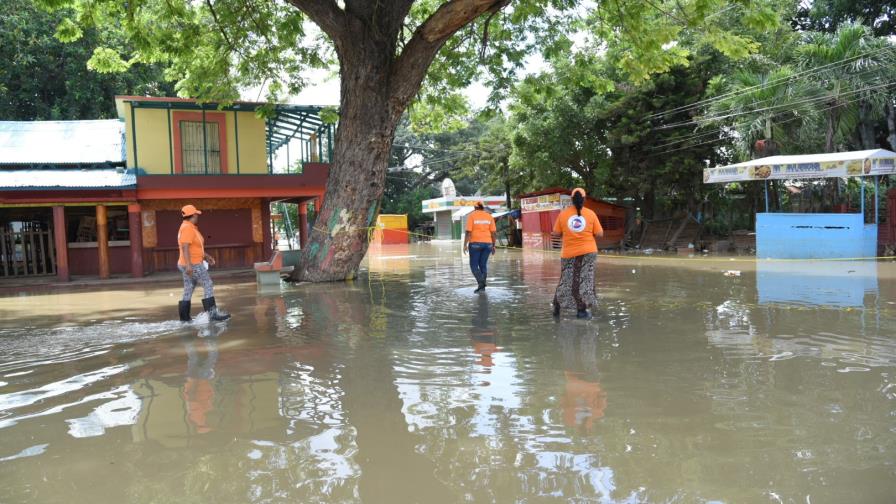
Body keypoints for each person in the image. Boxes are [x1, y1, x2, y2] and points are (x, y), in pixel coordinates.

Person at [551, 188, 603, 319]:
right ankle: (581, 310)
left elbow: (556, 233)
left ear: (571, 200)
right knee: (585, 280)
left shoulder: (563, 214)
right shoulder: (591, 214)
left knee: (566, 280)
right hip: (588, 252)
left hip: (568, 253)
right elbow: (599, 233)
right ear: (584, 199)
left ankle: (557, 307)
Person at [177, 205, 230, 322]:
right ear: (193, 215)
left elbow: (196, 247)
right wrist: (189, 265)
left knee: (189, 288)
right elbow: (185, 247)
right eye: (196, 214)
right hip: (193, 263)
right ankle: (213, 315)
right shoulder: (187, 228)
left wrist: (207, 256)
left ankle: (184, 318)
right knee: (208, 284)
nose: (197, 216)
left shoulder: (189, 227)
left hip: (188, 262)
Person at [463, 202, 497, 293]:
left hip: (475, 244)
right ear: (483, 207)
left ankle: (482, 283)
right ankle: (482, 288)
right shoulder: (489, 216)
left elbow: (468, 232)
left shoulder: (472, 216)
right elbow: (493, 233)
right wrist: (493, 245)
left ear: (475, 207)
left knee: (474, 266)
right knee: (483, 265)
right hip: (488, 244)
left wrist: (464, 245)